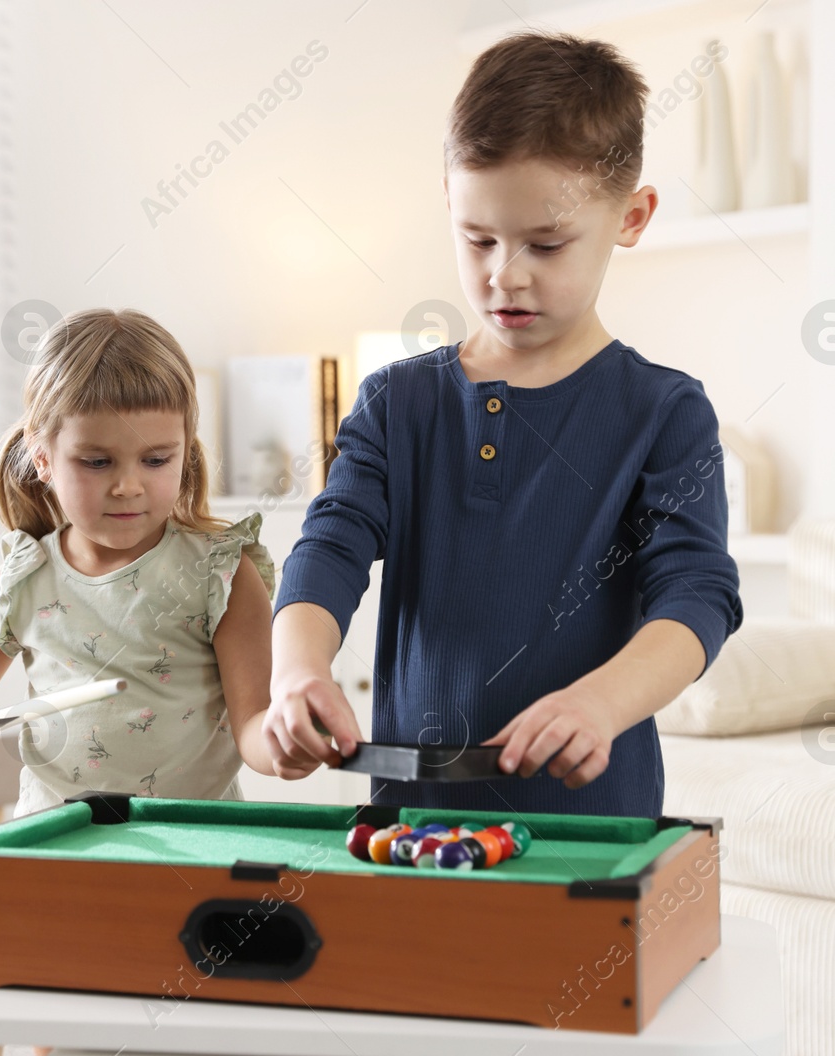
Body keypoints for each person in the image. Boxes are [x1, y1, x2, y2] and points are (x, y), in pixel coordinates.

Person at [262, 32, 744, 818]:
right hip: (409, 831)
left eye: (546, 243)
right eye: (477, 238)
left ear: (632, 216)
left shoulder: (664, 411)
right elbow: (330, 544)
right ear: (449, 202)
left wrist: (602, 703)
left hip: (593, 834)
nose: (504, 273)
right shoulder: (396, 403)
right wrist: (298, 672)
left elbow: (697, 596)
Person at [0, 308, 278, 819]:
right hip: (56, 849)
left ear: (185, 451)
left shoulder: (220, 573)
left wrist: (286, 743)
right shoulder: (24, 581)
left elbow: (255, 729)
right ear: (42, 456)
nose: (128, 485)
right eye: (97, 462)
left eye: (156, 459)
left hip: (193, 845)